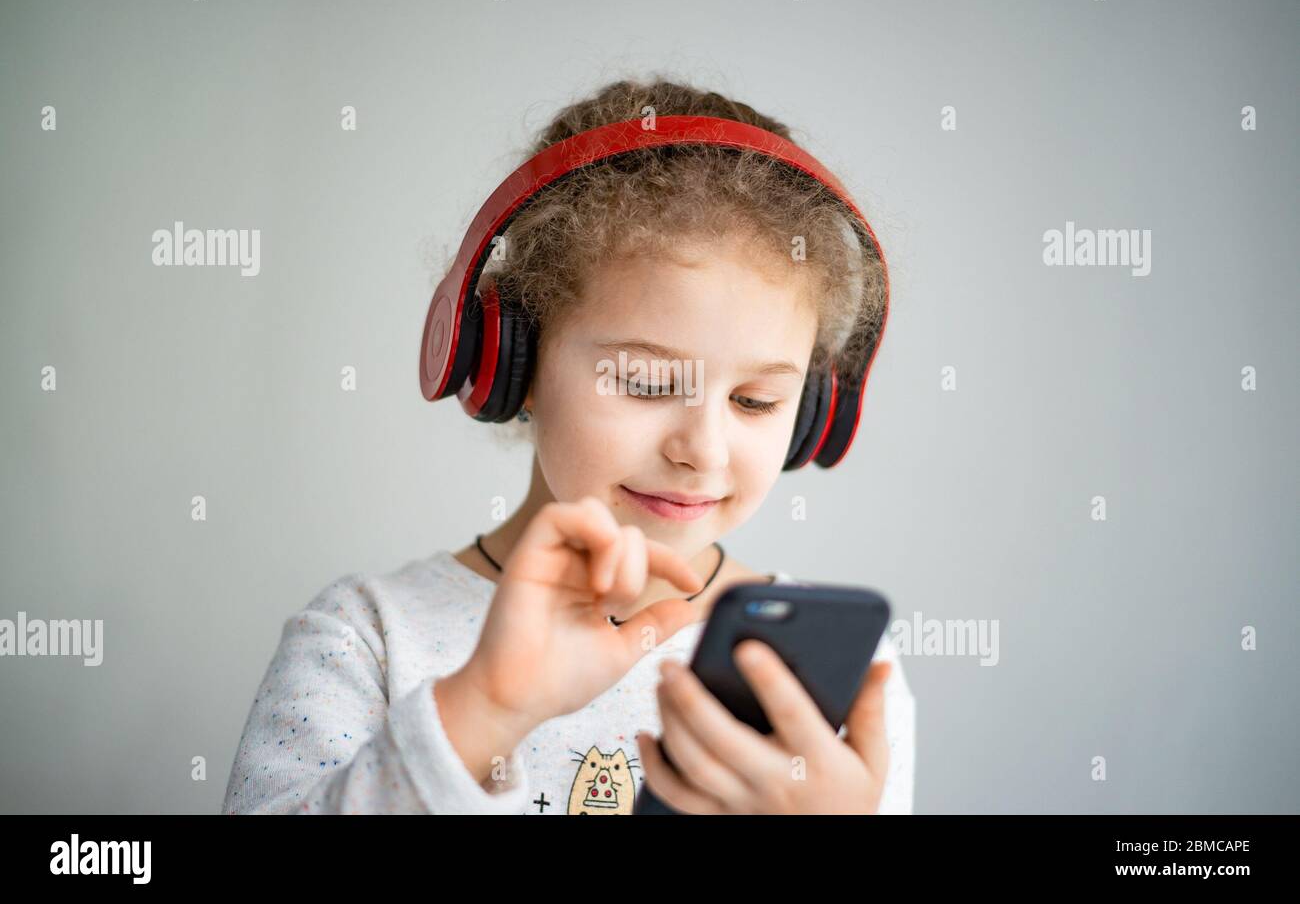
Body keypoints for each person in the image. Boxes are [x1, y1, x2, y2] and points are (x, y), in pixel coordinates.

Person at [221, 76, 914, 815]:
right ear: (508, 360)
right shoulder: (368, 639)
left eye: (755, 400)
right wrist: (480, 713)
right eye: (647, 383)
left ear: (811, 412)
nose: (703, 450)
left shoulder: (840, 685)